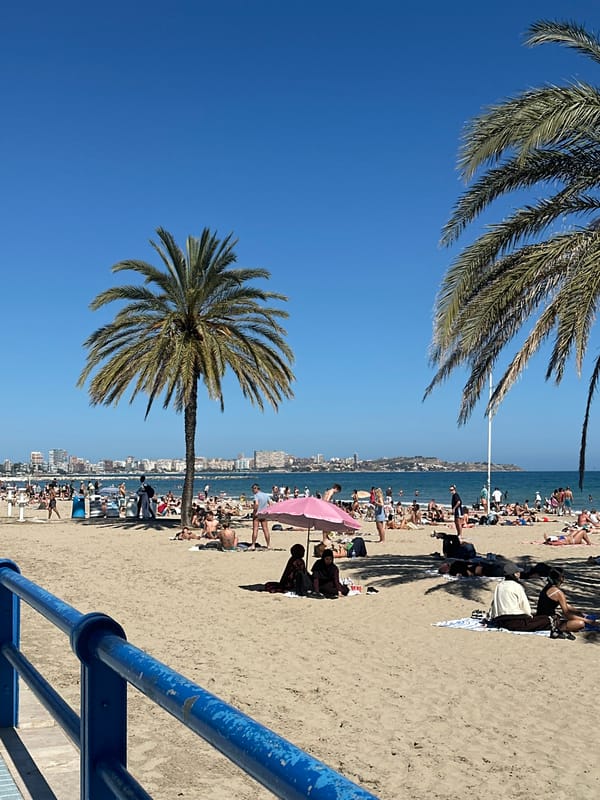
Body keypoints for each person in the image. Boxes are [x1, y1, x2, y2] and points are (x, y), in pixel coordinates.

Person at [536, 567, 600, 637]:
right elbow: (567, 615)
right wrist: (588, 621)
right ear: (561, 578)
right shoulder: (558, 592)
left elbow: (566, 605)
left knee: (578, 619)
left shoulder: (547, 588)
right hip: (548, 622)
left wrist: (581, 614)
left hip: (540, 618)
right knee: (580, 623)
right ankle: (558, 629)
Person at [487, 565, 553, 632]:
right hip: (515, 619)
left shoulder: (499, 585)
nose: (519, 574)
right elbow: (524, 605)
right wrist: (529, 616)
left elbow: (494, 603)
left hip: (500, 620)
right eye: (518, 572)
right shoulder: (517, 586)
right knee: (545, 620)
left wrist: (492, 616)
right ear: (514, 574)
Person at [250, 483, 271, 550]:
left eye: (253, 489)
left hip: (258, 514)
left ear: (256, 488)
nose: (252, 491)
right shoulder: (265, 495)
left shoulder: (256, 495)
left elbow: (256, 504)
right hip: (264, 514)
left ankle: (253, 545)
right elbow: (271, 504)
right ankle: (268, 545)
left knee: (255, 529)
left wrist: (254, 512)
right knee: (265, 530)